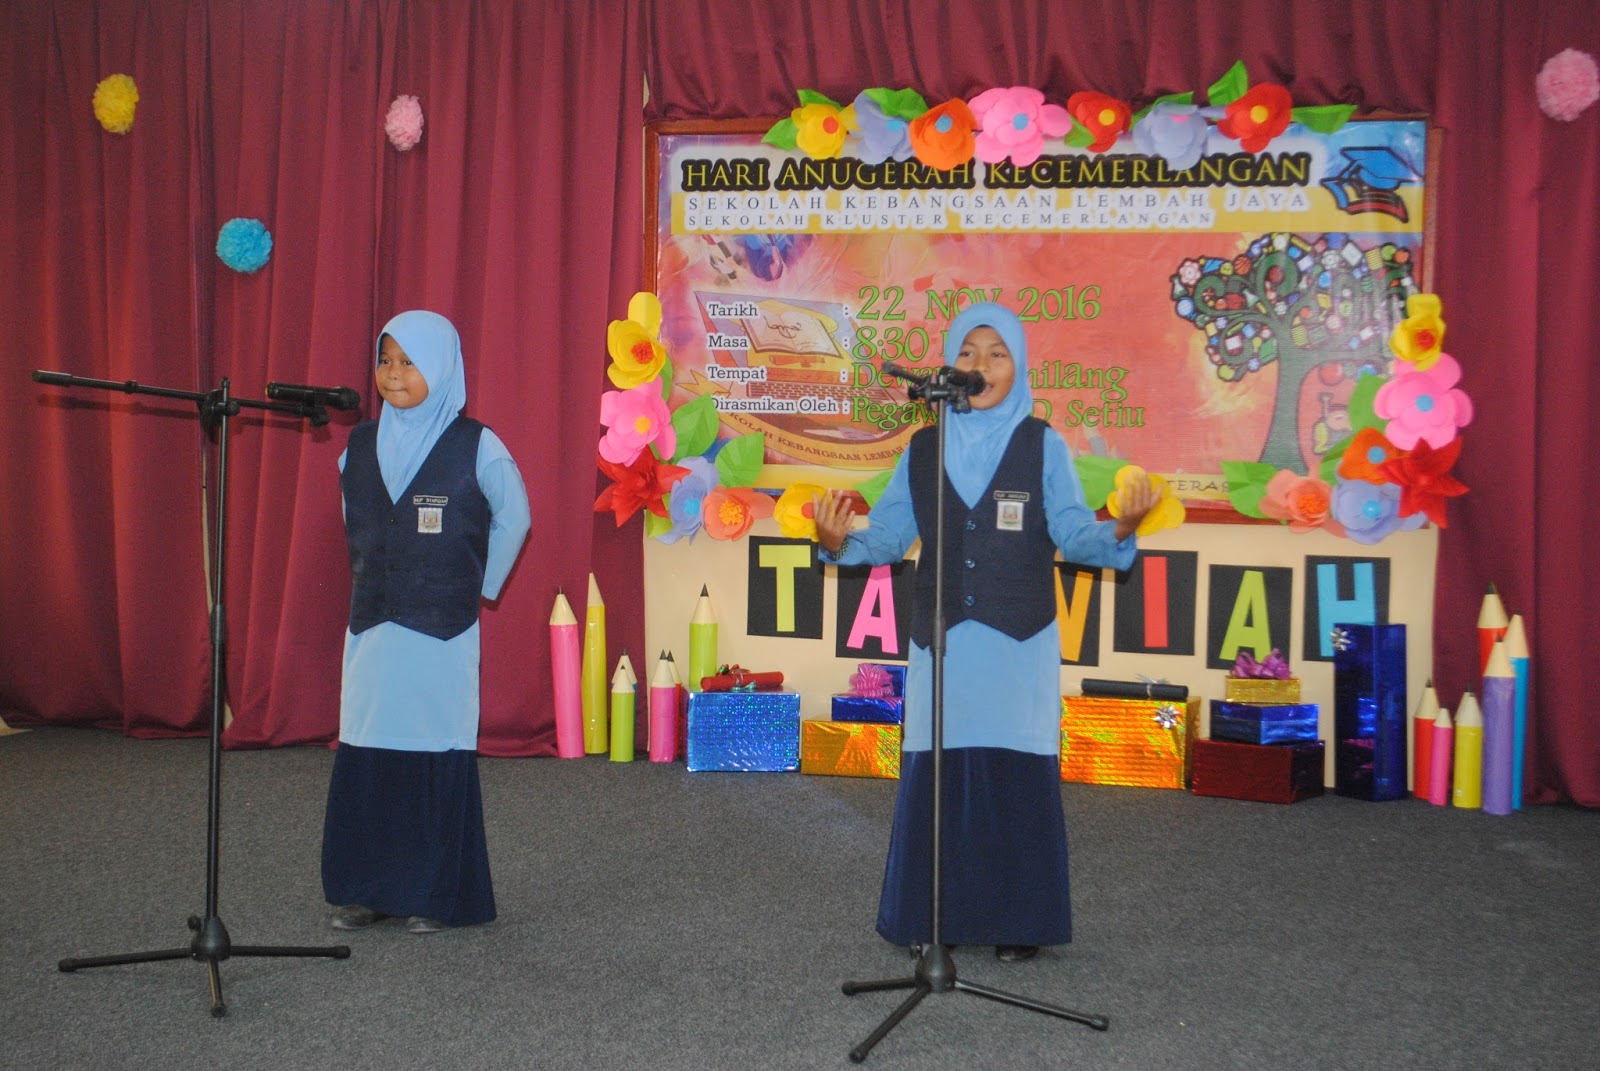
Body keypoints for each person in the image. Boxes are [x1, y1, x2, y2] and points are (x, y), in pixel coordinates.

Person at [815, 302, 1157, 962]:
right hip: (942, 645)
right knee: (936, 780)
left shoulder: (1042, 444)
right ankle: (928, 916)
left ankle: (1019, 921)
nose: (981, 364)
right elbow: (887, 536)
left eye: (997, 353)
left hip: (1018, 646)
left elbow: (1074, 533)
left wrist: (1119, 528)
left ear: (1019, 366)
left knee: (1015, 778)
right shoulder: (923, 449)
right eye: (968, 352)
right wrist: (836, 542)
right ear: (950, 366)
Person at [321, 310, 530, 934]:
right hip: (372, 633)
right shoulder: (357, 446)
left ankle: (434, 896)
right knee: (368, 753)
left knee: (432, 755)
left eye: (409, 362)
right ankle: (369, 890)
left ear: (440, 368)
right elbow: (357, 520)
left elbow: (515, 517)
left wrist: (481, 587)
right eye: (385, 361)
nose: (393, 374)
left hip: (441, 633)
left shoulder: (478, 445)